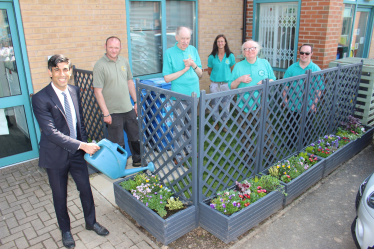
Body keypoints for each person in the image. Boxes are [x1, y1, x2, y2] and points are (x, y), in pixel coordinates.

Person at [32, 55, 109, 249]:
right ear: (50, 72)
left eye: (65, 69)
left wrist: (84, 145)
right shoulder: (40, 98)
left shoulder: (74, 90)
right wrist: (83, 146)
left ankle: (91, 222)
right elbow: (51, 133)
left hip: (76, 154)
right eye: (57, 69)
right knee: (60, 195)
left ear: (70, 71)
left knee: (85, 189)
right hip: (55, 155)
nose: (62, 74)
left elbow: (79, 123)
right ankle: (65, 231)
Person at [93, 36, 141, 167]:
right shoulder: (99, 66)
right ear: (105, 47)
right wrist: (106, 113)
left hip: (128, 108)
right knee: (117, 142)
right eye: (111, 47)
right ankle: (120, 166)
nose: (114, 50)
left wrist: (136, 102)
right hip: (113, 112)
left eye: (116, 47)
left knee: (135, 137)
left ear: (120, 48)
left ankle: (138, 160)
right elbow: (97, 91)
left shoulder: (124, 61)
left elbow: (130, 82)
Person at [163, 26, 202, 165]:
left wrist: (193, 65)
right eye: (183, 38)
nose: (185, 41)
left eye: (188, 38)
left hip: (194, 95)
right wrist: (185, 69)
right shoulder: (169, 53)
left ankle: (190, 150)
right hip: (178, 96)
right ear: (177, 37)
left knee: (191, 125)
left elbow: (201, 74)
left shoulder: (193, 50)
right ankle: (178, 154)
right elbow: (167, 78)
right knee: (179, 126)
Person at [229, 40, 276, 154]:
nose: (250, 51)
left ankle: (269, 157)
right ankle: (248, 159)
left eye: (252, 48)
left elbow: (273, 79)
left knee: (266, 132)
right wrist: (240, 79)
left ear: (257, 50)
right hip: (243, 106)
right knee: (245, 134)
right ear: (243, 52)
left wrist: (265, 81)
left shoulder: (264, 63)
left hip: (262, 104)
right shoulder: (238, 66)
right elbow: (231, 86)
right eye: (246, 49)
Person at [283, 44, 322, 145]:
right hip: (293, 102)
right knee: (292, 124)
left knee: (307, 126)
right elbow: (285, 85)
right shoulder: (291, 68)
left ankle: (305, 144)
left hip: (308, 103)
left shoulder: (316, 69)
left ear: (311, 54)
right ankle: (291, 143)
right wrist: (285, 99)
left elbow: (319, 89)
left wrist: (314, 104)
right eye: (302, 53)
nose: (304, 55)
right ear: (299, 53)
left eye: (307, 53)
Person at [207, 34, 236, 132]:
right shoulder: (212, 57)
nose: (220, 43)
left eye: (222, 41)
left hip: (226, 85)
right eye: (218, 41)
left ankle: (224, 123)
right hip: (215, 85)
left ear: (225, 43)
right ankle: (215, 123)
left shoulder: (230, 56)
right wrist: (216, 77)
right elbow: (209, 70)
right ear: (216, 43)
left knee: (226, 105)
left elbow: (233, 69)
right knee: (214, 105)